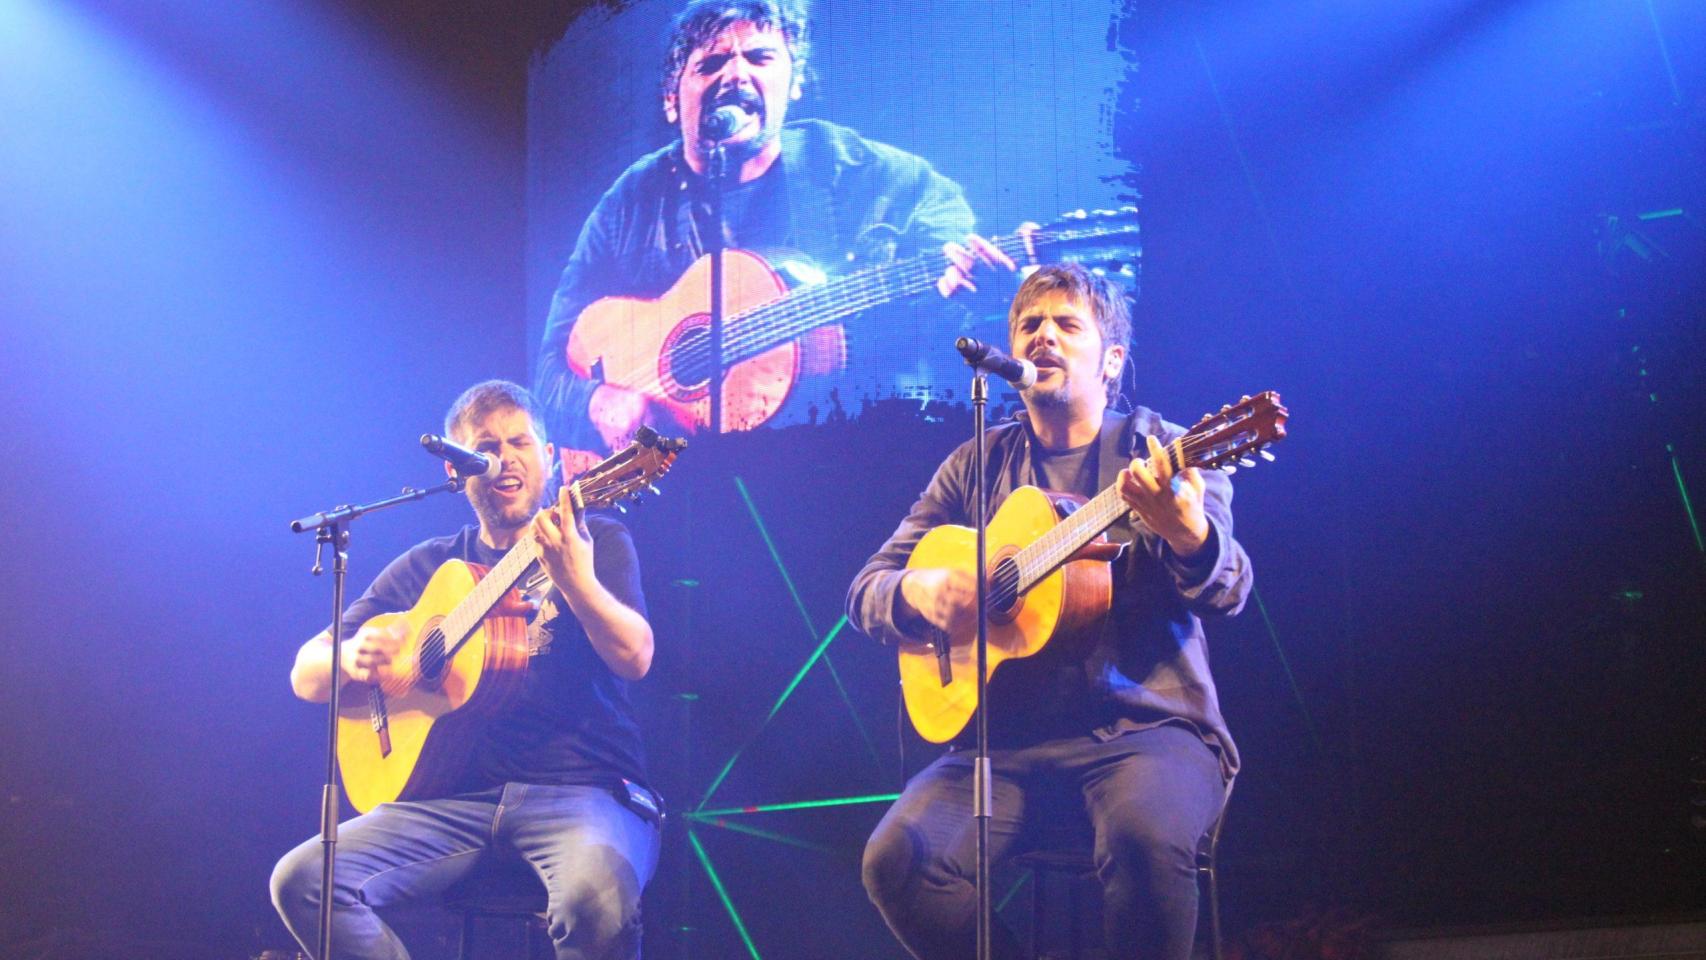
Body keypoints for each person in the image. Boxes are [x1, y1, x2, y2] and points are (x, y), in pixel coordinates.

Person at [847, 264, 1253, 960]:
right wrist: (918, 593)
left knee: (1144, 839)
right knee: (897, 859)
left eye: (1068, 324)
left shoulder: (1166, 453)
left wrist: (1189, 535)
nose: (1045, 338)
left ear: (1113, 358)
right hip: (1003, 741)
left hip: (1144, 728)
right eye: (1029, 326)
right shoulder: (975, 463)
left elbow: (1228, 589)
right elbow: (868, 588)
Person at [535, 0, 1017, 470]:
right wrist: (599, 402)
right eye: (712, 63)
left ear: (795, 82)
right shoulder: (632, 202)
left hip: (852, 468)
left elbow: (963, 311)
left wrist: (992, 296)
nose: (737, 75)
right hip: (688, 489)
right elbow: (550, 369)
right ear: (670, 98)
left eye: (760, 57)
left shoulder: (880, 182)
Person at [270, 380, 661, 960]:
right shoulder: (428, 566)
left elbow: (635, 657)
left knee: (592, 903)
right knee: (302, 880)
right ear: (458, 469)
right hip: (448, 802)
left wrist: (576, 580)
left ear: (549, 456)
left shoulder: (593, 537)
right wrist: (349, 659)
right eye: (486, 448)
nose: (505, 460)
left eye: (520, 442)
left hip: (584, 789)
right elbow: (305, 675)